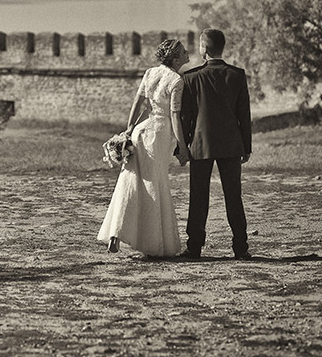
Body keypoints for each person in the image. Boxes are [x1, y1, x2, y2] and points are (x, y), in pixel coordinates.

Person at [97, 39, 191, 257]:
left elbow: (138, 103)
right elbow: (175, 115)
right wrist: (182, 146)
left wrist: (128, 129)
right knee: (154, 183)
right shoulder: (176, 80)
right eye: (184, 52)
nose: (188, 54)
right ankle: (154, 243)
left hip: (141, 130)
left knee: (129, 181)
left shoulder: (150, 73)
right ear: (175, 58)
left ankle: (116, 234)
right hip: (159, 132)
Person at [179, 28, 252, 260]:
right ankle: (241, 248)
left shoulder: (191, 78)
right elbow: (244, 114)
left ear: (204, 49)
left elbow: (186, 118)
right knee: (234, 196)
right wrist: (246, 146)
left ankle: (194, 247)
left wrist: (182, 145)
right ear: (222, 48)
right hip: (231, 143)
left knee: (198, 197)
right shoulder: (237, 75)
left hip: (200, 144)